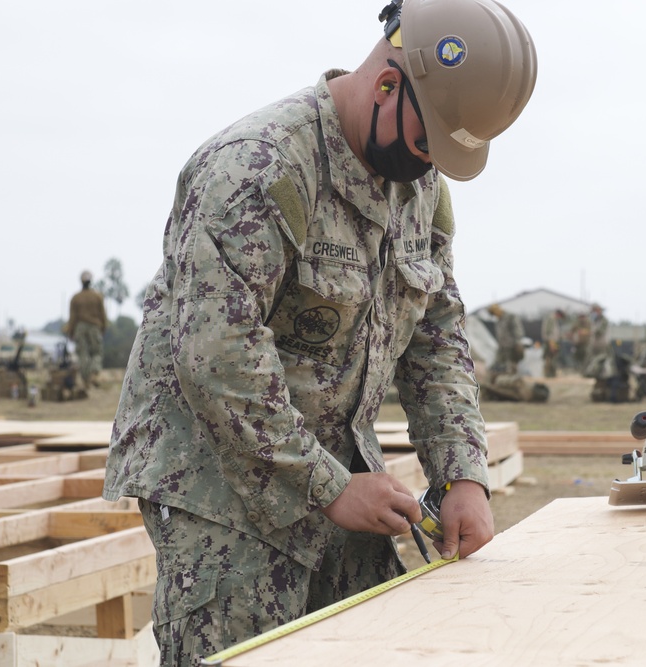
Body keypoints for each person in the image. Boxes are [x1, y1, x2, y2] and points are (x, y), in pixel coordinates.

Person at [102, 0, 537, 661]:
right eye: (428, 144)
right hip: (224, 498)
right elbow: (218, 361)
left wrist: (462, 475)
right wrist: (331, 487)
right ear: (389, 85)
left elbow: (437, 338)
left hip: (342, 485)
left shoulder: (414, 185)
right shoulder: (257, 168)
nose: (428, 167)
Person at [63, 270, 107, 389]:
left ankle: (85, 380)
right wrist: (103, 328)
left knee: (83, 355)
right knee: (96, 352)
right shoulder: (97, 296)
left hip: (80, 328)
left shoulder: (76, 298)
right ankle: (94, 373)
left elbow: (72, 318)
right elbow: (103, 315)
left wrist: (70, 331)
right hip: (94, 327)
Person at [489, 303, 526, 375]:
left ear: (498, 309)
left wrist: (518, 343)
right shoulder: (498, 320)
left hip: (512, 346)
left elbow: (518, 330)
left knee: (511, 367)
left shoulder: (510, 317)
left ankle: (512, 381)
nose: (495, 315)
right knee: (498, 366)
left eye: (494, 312)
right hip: (502, 347)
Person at [541, 309, 564, 378]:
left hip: (554, 341)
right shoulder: (551, 319)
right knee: (549, 357)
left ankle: (552, 373)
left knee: (553, 356)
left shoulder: (553, 320)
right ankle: (548, 373)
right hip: (551, 341)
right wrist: (551, 343)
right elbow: (548, 332)